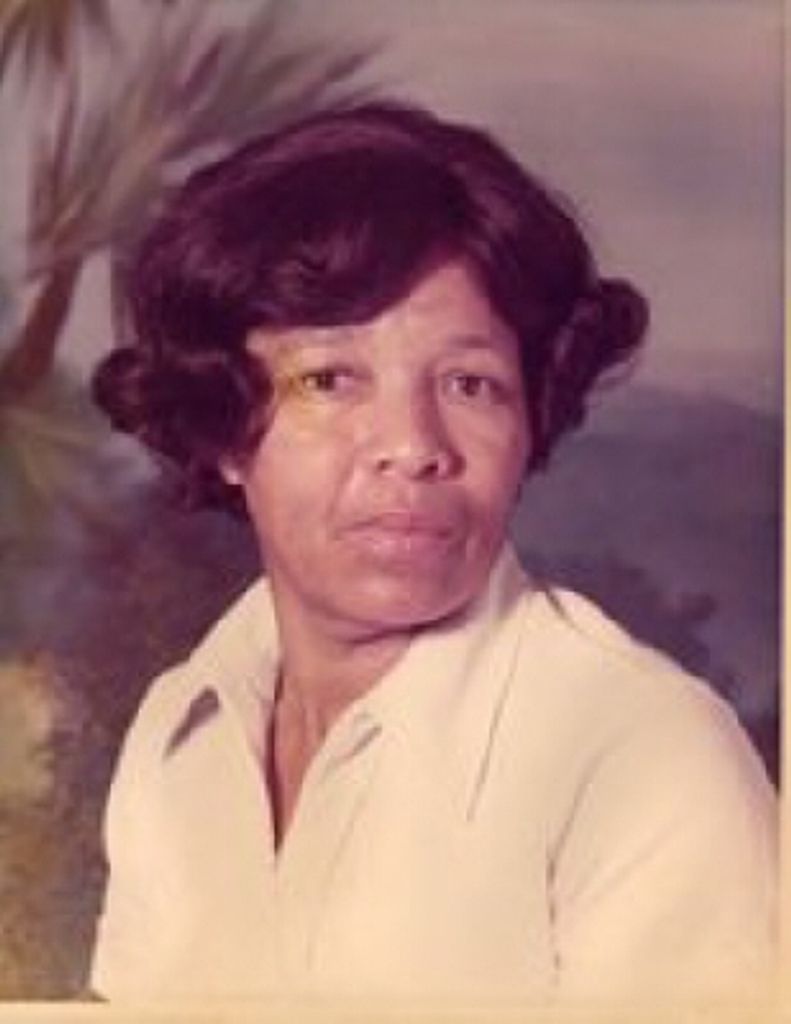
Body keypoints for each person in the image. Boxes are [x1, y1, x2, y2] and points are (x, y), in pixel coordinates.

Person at [89, 101, 776, 1005]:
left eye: (469, 384)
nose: (413, 445)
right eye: (329, 379)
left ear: (529, 424)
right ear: (220, 431)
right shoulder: (178, 731)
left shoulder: (642, 755)